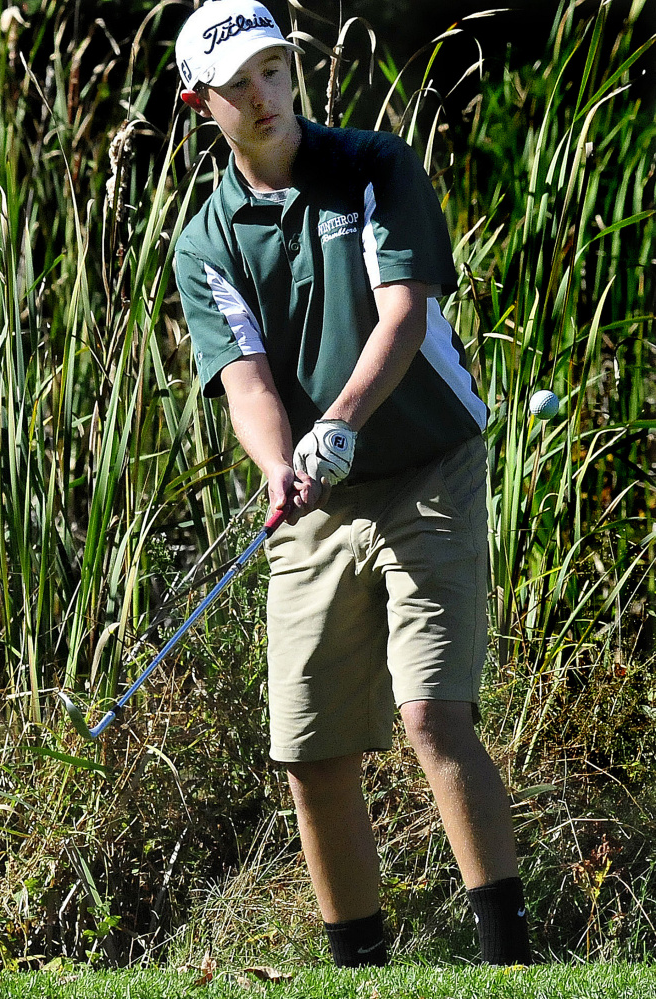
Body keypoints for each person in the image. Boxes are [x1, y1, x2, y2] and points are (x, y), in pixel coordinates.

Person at [173, 0, 531, 968]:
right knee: (307, 741)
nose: (263, 98)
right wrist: (280, 464)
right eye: (238, 86)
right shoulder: (203, 242)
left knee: (430, 714)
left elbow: (403, 317)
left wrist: (334, 427)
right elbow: (245, 382)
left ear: (292, 72)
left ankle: (510, 964)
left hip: (426, 464)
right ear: (198, 101)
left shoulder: (375, 169)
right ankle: (357, 972)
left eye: (273, 73)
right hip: (317, 499)